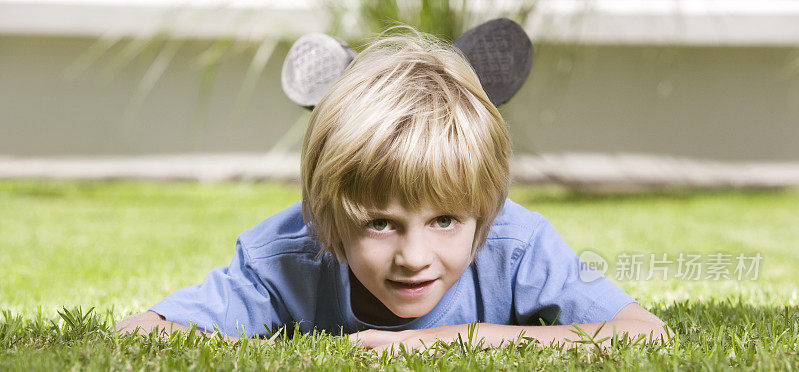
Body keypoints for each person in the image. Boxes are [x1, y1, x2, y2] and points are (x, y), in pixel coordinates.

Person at [115, 31, 669, 351]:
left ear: (484, 207)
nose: (413, 258)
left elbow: (645, 335)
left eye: (445, 221)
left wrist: (449, 339)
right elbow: (144, 334)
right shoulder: (287, 254)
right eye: (380, 223)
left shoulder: (515, 244)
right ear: (328, 216)